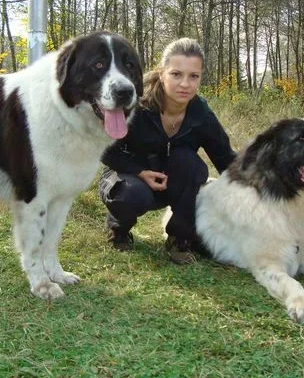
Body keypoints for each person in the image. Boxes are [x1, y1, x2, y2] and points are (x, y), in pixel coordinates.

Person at [99, 37, 236, 264]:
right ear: (162, 72)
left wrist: (265, 185)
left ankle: (179, 239)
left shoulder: (200, 114)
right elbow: (103, 149)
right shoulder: (135, 104)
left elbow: (226, 160)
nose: (185, 84)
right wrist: (140, 171)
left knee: (190, 163)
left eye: (194, 76)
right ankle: (119, 229)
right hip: (126, 178)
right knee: (133, 194)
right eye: (176, 74)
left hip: (170, 183)